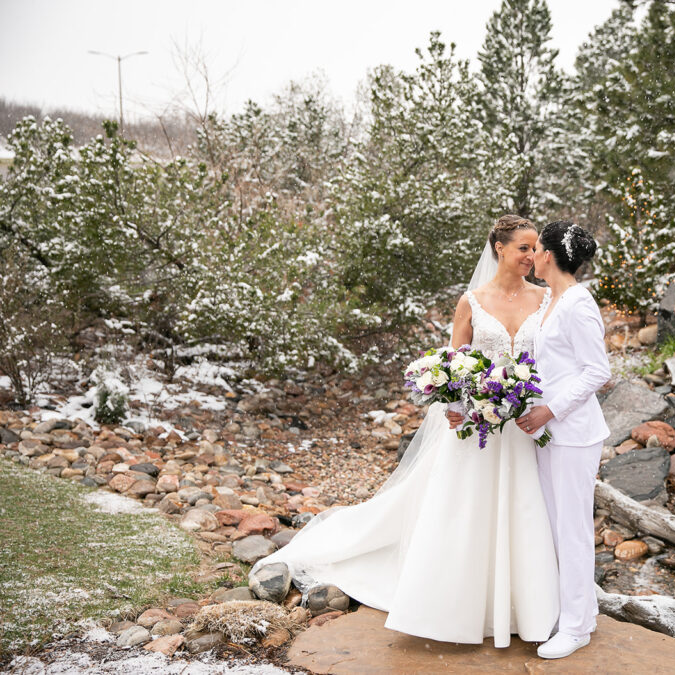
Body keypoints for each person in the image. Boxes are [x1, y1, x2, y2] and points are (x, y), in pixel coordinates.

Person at [249, 215, 559, 648]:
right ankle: (453, 608)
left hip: (523, 427)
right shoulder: (473, 300)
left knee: (522, 510)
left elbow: (555, 359)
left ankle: (522, 607)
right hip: (475, 425)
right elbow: (456, 362)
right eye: (523, 248)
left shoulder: (546, 300)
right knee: (463, 511)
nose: (531, 256)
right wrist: (455, 405)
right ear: (499, 248)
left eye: (535, 248)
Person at [515, 221, 610, 660]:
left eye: (534, 249)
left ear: (548, 255)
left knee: (573, 530)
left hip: (574, 434)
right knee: (553, 526)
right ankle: (575, 614)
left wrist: (549, 410)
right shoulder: (551, 300)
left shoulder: (578, 303)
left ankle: (576, 628)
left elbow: (597, 371)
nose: (530, 256)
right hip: (545, 431)